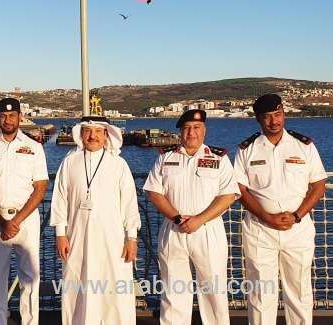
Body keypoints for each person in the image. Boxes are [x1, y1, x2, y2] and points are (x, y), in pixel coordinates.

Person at [234, 94, 327, 325]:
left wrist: (297, 215)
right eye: (267, 116)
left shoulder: (303, 146)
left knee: (300, 292)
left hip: (297, 229)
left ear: (284, 114)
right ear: (258, 119)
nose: (274, 121)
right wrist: (266, 217)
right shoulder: (247, 149)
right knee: (260, 293)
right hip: (260, 230)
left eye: (278, 114)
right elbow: (240, 190)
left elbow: (318, 184)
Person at [144, 109, 239, 325]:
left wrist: (199, 219)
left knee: (213, 291)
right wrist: (177, 218)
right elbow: (153, 192)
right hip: (173, 228)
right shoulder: (165, 157)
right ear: (180, 132)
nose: (191, 133)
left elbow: (228, 196)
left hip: (208, 230)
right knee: (173, 291)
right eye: (187, 128)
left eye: (196, 128)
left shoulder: (219, 158)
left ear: (204, 131)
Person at [50, 116, 140, 324]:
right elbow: (60, 199)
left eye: (98, 131)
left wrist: (132, 238)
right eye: (88, 131)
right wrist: (60, 234)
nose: (93, 136)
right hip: (77, 238)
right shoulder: (69, 162)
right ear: (81, 134)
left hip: (113, 240)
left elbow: (129, 202)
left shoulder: (118, 164)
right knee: (77, 286)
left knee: (115, 288)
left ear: (106, 135)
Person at [0, 97, 48, 325]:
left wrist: (16, 221)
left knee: (30, 278)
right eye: (3, 116)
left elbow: (40, 188)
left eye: (12, 115)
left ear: (20, 117)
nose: (8, 120)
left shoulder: (34, 147)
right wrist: (3, 222)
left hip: (26, 219)